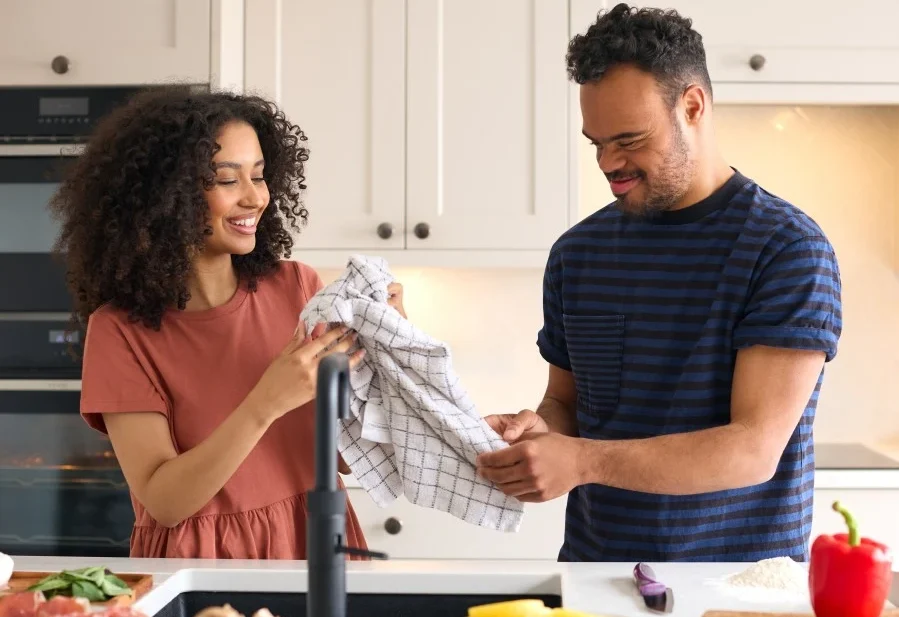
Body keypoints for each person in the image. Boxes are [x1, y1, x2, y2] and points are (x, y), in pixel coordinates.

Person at [476, 3, 842, 562]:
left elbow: (752, 450)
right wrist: (538, 431)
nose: (607, 163)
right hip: (596, 576)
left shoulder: (786, 248)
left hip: (737, 590)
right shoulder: (577, 254)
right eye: (595, 141)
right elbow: (565, 402)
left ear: (692, 106)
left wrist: (581, 461)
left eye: (628, 138)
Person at [50, 86, 406, 559]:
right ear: (166, 195)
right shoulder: (121, 331)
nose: (254, 197)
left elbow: (339, 456)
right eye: (226, 179)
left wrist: (387, 350)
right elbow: (165, 501)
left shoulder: (295, 286)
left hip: (312, 540)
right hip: (201, 562)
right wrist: (265, 401)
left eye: (259, 176)